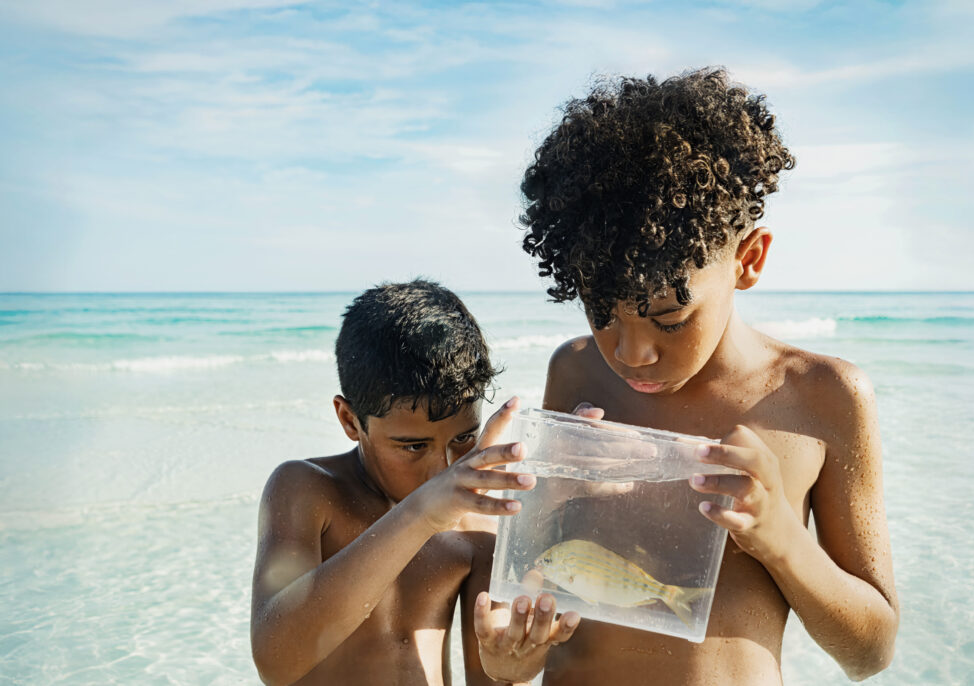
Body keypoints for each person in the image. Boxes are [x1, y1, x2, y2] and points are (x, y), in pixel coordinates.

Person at [474, 69, 899, 684]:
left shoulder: (820, 397)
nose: (631, 352)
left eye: (669, 318)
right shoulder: (575, 371)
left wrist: (780, 535)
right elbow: (540, 575)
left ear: (747, 259)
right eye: (601, 313)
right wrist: (511, 658)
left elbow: (870, 652)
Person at [250, 279, 577, 686]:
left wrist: (513, 665)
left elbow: (490, 676)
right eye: (412, 446)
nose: (442, 468)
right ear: (350, 420)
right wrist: (422, 514)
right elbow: (275, 662)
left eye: (463, 438)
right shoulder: (307, 490)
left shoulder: (477, 529)